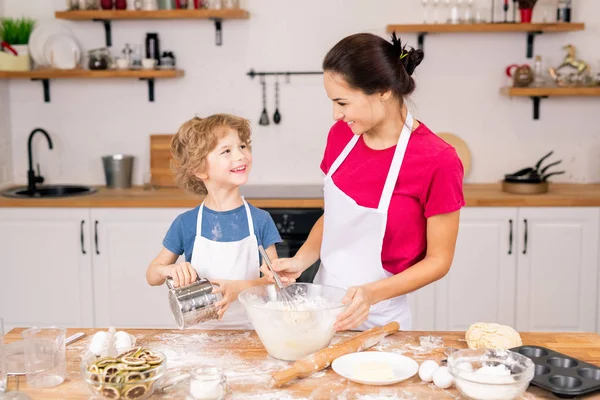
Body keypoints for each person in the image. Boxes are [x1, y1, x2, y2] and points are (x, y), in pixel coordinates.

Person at [262, 33, 465, 332]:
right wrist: (302, 259)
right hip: (321, 311)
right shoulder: (341, 137)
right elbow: (336, 219)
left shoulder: (437, 159)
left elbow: (439, 261)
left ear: (382, 90)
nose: (336, 114)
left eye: (342, 102)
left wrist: (371, 294)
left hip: (382, 320)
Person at [147, 114, 281, 329]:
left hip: (252, 333)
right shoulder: (187, 223)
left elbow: (274, 282)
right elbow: (152, 275)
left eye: (243, 146)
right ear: (200, 169)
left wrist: (240, 289)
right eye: (226, 151)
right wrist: (167, 270)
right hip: (199, 336)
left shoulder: (260, 220)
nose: (240, 155)